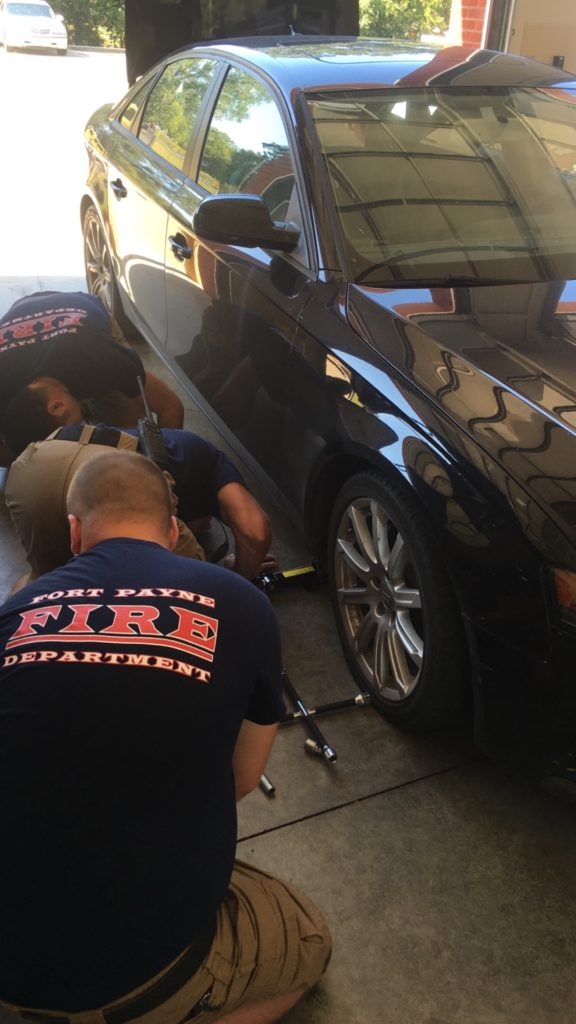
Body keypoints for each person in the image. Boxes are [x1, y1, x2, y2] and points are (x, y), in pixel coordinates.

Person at [0, 450, 331, 1023]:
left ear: (75, 532)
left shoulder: (15, 611)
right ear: (173, 529)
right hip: (127, 972)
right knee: (305, 938)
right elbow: (244, 778)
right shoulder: (241, 603)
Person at [5, 422, 273, 581]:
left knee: (44, 583)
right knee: (196, 591)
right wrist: (238, 575)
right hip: (120, 474)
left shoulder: (187, 450)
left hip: (36, 466)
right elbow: (256, 531)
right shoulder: (215, 464)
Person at [0, 290, 184, 464]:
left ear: (57, 406)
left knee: (131, 440)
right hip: (25, 312)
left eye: (75, 426)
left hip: (78, 309)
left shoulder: (101, 359)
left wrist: (165, 471)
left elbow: (170, 407)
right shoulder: (4, 389)